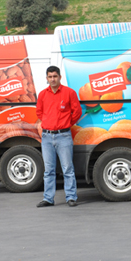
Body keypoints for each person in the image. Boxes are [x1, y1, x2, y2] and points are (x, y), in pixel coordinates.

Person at [35, 65, 82, 207]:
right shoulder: (42, 95)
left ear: (60, 77)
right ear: (47, 78)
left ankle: (71, 197)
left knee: (67, 168)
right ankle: (48, 198)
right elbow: (39, 112)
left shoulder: (69, 93)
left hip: (64, 136)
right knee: (48, 170)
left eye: (55, 76)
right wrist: (48, 122)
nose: (52, 79)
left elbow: (77, 112)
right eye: (50, 77)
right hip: (47, 137)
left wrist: (67, 123)